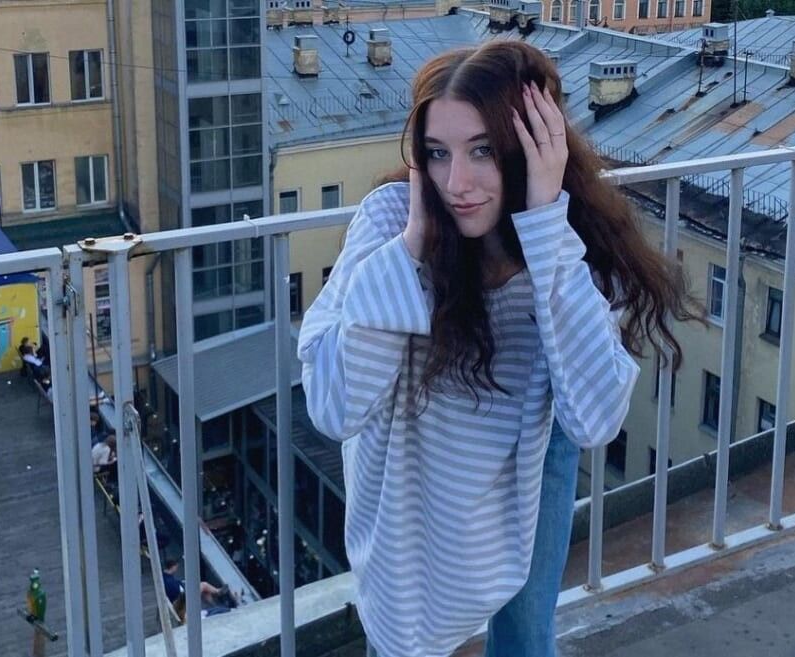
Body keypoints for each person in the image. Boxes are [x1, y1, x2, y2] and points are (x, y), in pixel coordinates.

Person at [298, 41, 697, 657]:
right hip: (409, 501)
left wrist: (543, 224)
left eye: (483, 150)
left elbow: (592, 418)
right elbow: (333, 408)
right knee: (410, 636)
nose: (456, 184)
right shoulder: (390, 224)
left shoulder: (571, 250)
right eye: (437, 153)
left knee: (526, 634)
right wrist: (410, 253)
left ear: (534, 149)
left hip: (536, 443)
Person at [162, 558, 237, 618]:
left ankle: (215, 605)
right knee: (203, 585)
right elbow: (177, 592)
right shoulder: (168, 581)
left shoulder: (166, 576)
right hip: (184, 601)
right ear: (173, 567)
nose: (176, 569)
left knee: (205, 590)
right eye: (176, 567)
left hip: (183, 597)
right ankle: (218, 592)